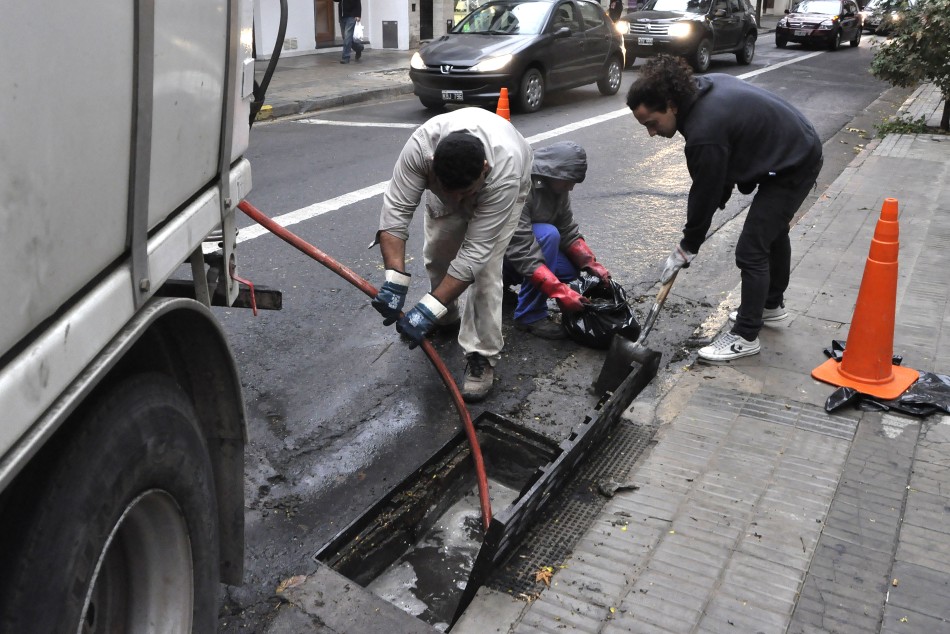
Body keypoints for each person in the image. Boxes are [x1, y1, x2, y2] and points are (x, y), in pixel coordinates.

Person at [625, 54, 822, 362]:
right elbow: (720, 175)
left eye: (652, 123)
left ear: (670, 105)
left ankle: (745, 336)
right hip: (791, 146)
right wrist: (698, 228)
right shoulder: (700, 92)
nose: (651, 132)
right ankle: (770, 306)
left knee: (751, 249)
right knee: (771, 232)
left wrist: (688, 245)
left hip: (795, 161)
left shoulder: (704, 131)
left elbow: (706, 190)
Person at [371, 108, 533, 402]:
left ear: (483, 168)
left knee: (485, 273)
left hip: (502, 188)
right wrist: (394, 281)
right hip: (456, 179)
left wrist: (424, 310)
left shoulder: (503, 172)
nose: (458, 202)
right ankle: (445, 314)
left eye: (464, 193)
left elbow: (475, 254)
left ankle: (481, 353)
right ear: (433, 166)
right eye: (451, 192)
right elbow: (396, 213)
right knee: (437, 253)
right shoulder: (421, 150)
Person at [504, 141, 612, 340]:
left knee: (570, 269)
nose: (570, 187)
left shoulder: (558, 189)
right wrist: (560, 292)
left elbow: (567, 229)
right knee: (548, 235)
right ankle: (530, 315)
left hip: (525, 250)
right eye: (568, 181)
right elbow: (522, 251)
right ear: (552, 172)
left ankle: (509, 289)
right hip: (502, 253)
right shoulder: (520, 186)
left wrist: (590, 263)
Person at [334, 0, 364, 64]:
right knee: (346, 37)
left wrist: (358, 15)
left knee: (347, 37)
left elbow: (357, 2)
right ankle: (359, 48)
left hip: (351, 16)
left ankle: (345, 57)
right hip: (342, 17)